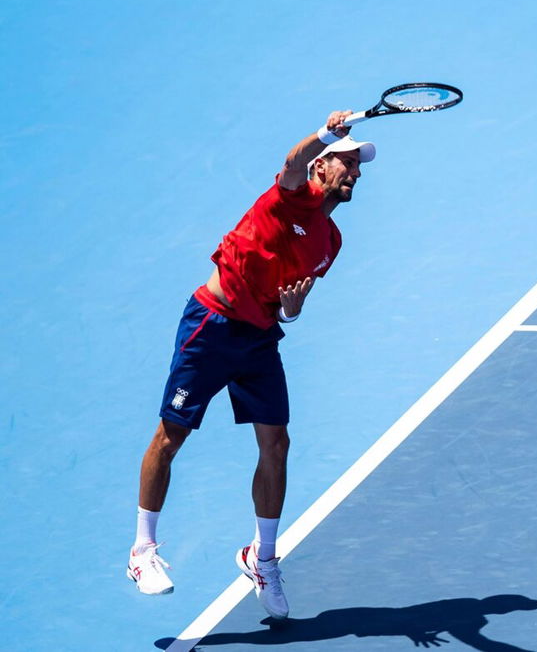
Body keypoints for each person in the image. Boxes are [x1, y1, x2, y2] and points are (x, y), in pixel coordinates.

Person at [127, 111, 375, 620]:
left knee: (277, 445)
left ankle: (261, 559)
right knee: (171, 436)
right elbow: (291, 160)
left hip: (259, 338)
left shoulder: (331, 242)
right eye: (347, 163)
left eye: (358, 166)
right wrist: (329, 133)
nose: (355, 172)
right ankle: (142, 552)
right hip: (212, 326)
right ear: (321, 168)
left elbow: (289, 305)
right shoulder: (287, 196)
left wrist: (294, 309)